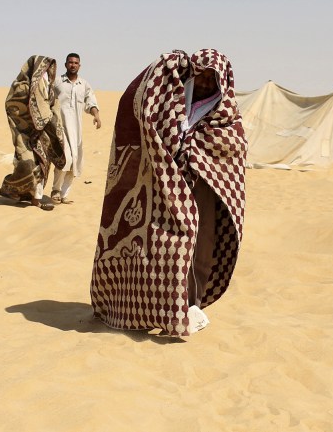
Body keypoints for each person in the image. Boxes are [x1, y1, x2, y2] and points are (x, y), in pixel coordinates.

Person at [90, 49, 247, 337]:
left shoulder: (228, 119)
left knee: (198, 246)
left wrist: (197, 156)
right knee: (164, 249)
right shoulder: (172, 107)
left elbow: (232, 153)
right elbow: (140, 109)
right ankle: (156, 306)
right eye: (199, 75)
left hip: (204, 191)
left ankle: (190, 304)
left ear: (222, 81)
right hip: (165, 190)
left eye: (211, 78)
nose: (203, 83)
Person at [0, 55, 66, 211]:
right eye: (43, 69)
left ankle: (36, 199)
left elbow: (52, 105)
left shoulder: (49, 86)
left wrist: (49, 119)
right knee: (27, 164)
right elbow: (11, 105)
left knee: (42, 165)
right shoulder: (20, 87)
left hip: (44, 134)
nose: (46, 72)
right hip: (25, 135)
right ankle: (15, 190)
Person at [50, 53, 101, 205]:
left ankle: (64, 194)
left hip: (76, 130)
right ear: (65, 64)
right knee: (66, 159)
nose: (73, 65)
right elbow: (46, 99)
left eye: (76, 63)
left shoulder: (83, 84)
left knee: (75, 162)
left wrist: (96, 116)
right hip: (60, 127)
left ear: (79, 66)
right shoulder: (57, 82)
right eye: (70, 62)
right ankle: (55, 190)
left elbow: (90, 102)